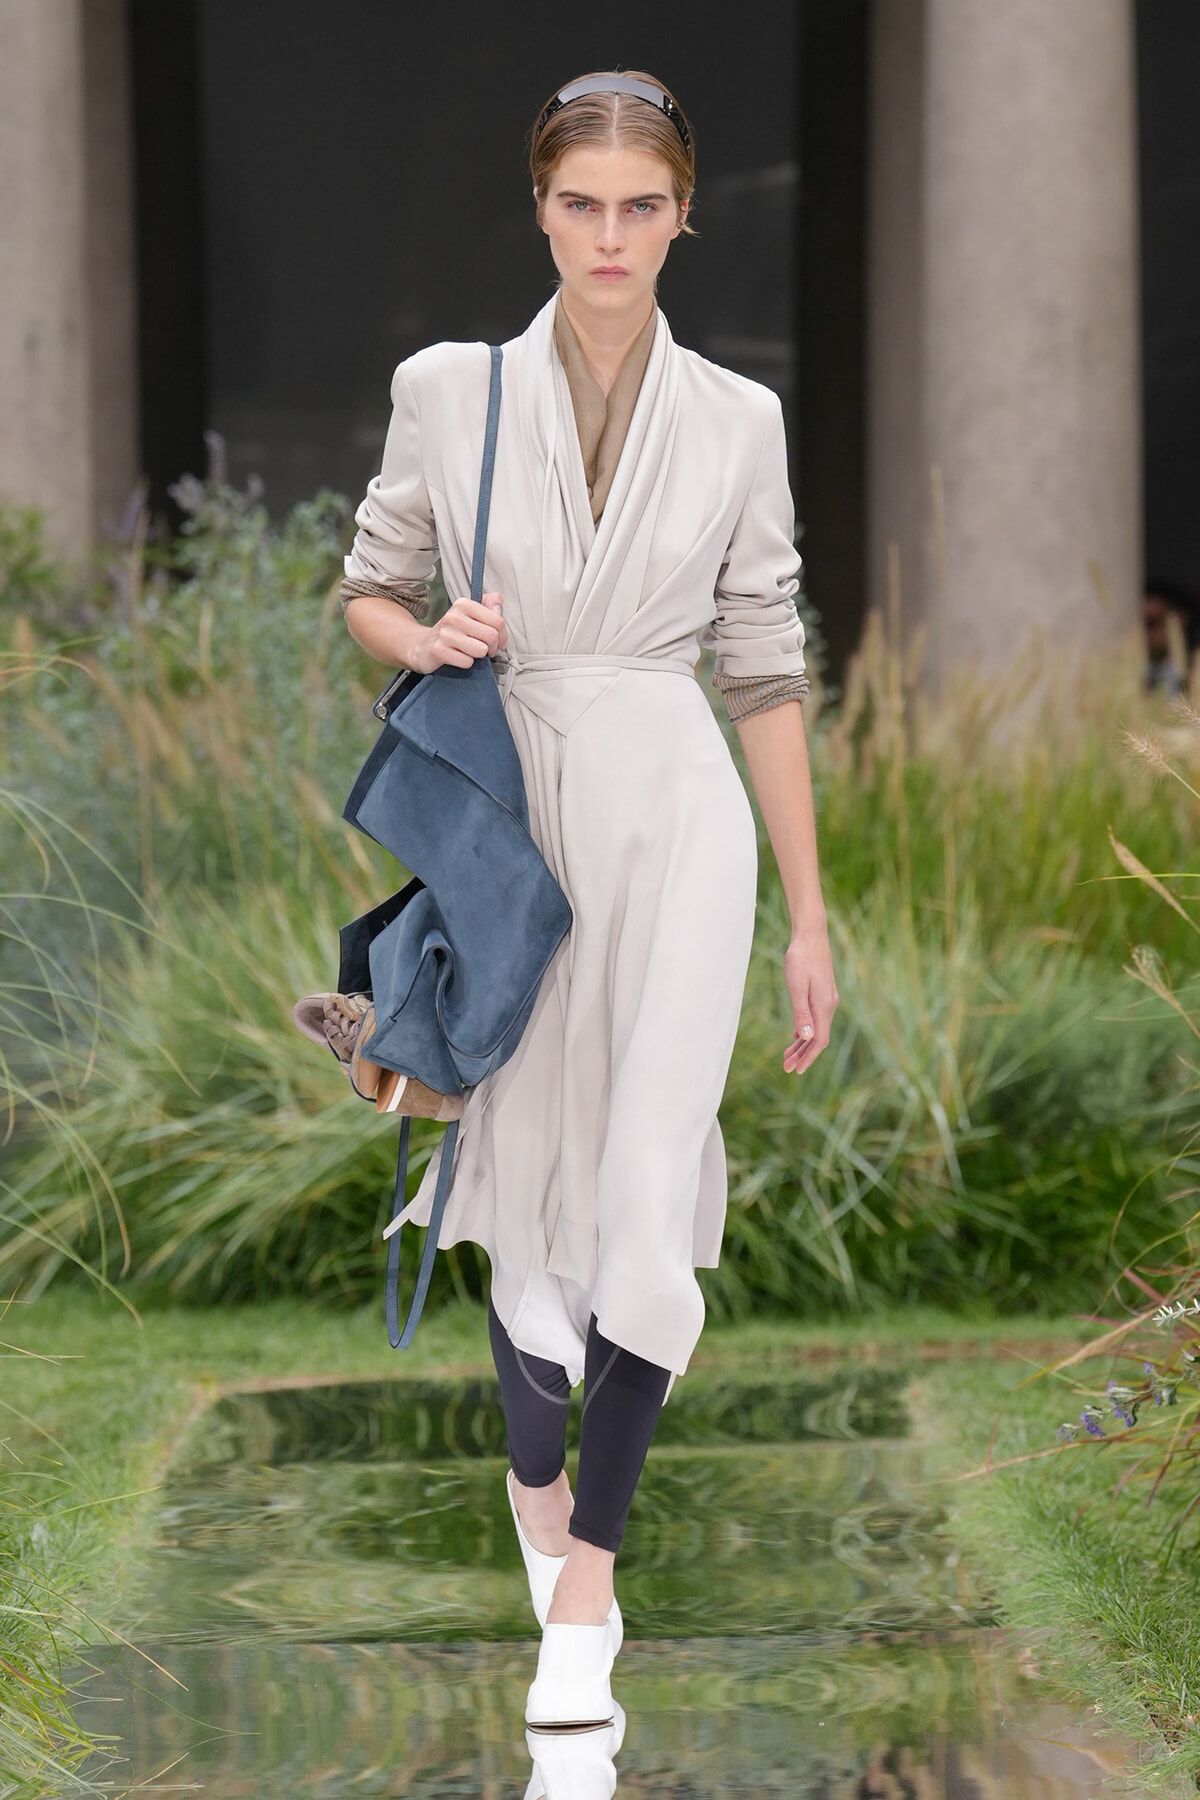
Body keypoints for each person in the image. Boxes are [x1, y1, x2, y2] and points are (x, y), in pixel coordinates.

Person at [336, 70, 838, 1735]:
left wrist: (814, 919)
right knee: (527, 1187)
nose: (610, 238)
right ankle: (535, 1475)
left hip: (679, 810)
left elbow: (764, 668)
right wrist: (429, 641)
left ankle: (589, 1590)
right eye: (580, 205)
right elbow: (368, 584)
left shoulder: (741, 421)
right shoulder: (448, 390)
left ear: (684, 212)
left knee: (641, 1188)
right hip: (515, 817)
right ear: (541, 208)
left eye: (642, 207)